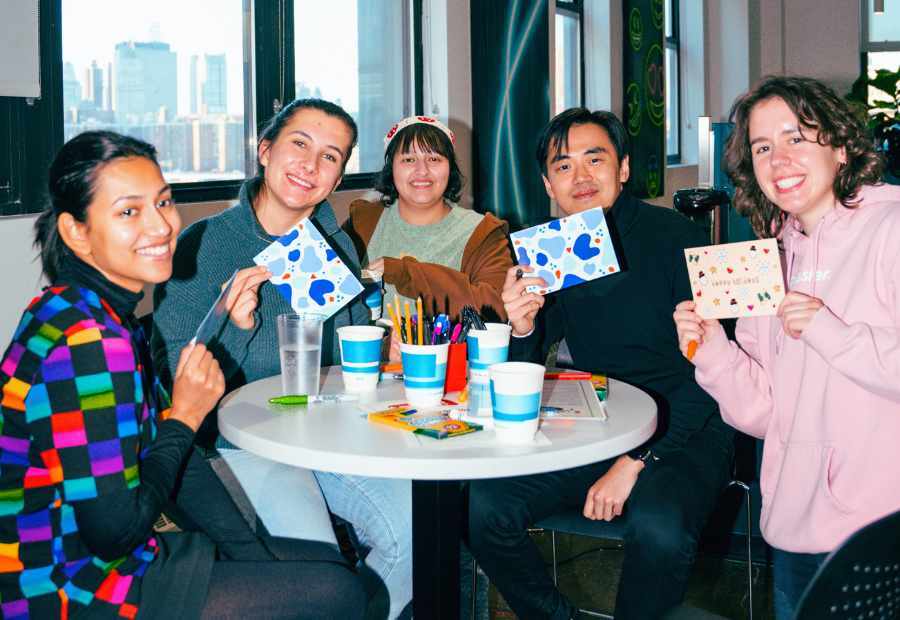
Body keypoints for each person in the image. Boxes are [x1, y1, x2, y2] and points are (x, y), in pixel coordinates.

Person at [0, 131, 365, 619]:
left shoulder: (80, 309)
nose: (161, 226)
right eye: (129, 211)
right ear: (76, 232)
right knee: (338, 594)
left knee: (322, 573)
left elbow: (179, 464)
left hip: (110, 561)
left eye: (164, 202)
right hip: (67, 587)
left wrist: (254, 560)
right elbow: (113, 535)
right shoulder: (88, 340)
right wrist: (186, 416)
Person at [467, 108, 734, 620]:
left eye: (596, 159)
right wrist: (522, 326)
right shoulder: (550, 248)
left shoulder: (685, 238)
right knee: (483, 506)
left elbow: (716, 378)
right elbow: (528, 368)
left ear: (624, 168)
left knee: (658, 528)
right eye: (563, 166)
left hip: (690, 423)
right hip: (600, 419)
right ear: (548, 182)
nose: (581, 177)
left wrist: (636, 462)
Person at [151, 99, 412, 619]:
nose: (311, 166)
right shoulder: (202, 245)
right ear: (265, 151)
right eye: (299, 144)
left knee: (417, 532)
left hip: (328, 433)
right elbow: (176, 376)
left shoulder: (336, 247)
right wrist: (234, 325)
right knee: (313, 574)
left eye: (330, 156)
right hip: (239, 445)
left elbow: (346, 352)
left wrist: (384, 348)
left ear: (337, 178)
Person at [673, 75, 900, 620]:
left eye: (797, 137)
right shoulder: (763, 258)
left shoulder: (891, 228)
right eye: (762, 147)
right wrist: (712, 352)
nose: (780, 160)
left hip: (878, 526)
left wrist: (830, 332)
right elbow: (763, 413)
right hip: (793, 519)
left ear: (841, 147)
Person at [343, 115, 512, 326]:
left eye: (434, 159)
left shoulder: (483, 233)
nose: (422, 171)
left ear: (450, 168)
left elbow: (494, 311)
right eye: (408, 159)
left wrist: (404, 272)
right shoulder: (362, 222)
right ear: (391, 168)